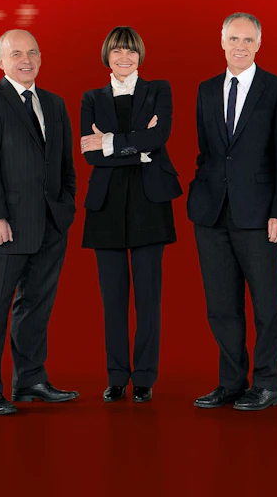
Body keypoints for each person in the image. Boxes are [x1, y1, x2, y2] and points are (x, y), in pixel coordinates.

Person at [0, 29, 78, 415]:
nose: (24, 59)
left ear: (41, 57)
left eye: (31, 52)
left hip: (49, 225)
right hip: (4, 227)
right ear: (0, 61)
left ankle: (30, 380)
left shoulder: (54, 103)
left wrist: (66, 209)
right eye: (15, 54)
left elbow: (64, 165)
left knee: (36, 307)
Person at [187, 12, 277, 411]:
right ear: (222, 42)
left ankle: (267, 384)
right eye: (234, 39)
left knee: (266, 305)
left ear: (259, 44)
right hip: (212, 214)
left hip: (260, 215)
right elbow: (207, 151)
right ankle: (231, 382)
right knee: (221, 304)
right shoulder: (205, 89)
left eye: (248, 40)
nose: (240, 46)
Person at [80, 26, 181, 403]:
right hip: (105, 206)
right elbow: (89, 155)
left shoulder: (160, 90)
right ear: (107, 55)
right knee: (113, 299)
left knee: (148, 296)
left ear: (140, 55)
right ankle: (117, 376)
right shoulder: (91, 97)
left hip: (148, 202)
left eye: (132, 52)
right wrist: (135, 147)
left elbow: (158, 139)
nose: (125, 58)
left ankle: (144, 377)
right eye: (118, 52)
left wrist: (108, 142)